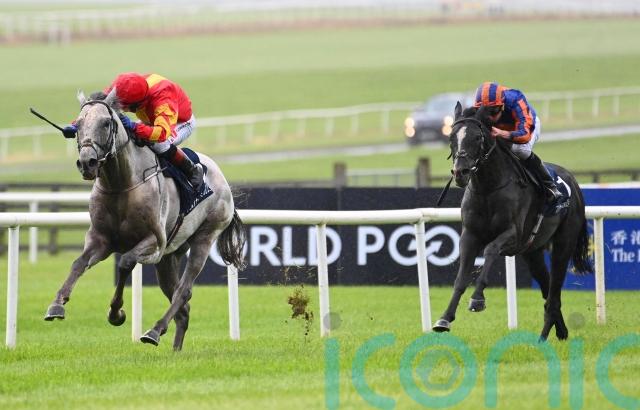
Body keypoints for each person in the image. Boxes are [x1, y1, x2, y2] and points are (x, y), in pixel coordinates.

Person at [64, 72, 203, 190]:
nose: (124, 110)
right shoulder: (121, 87)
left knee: (158, 144)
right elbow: (97, 109)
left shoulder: (163, 97)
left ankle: (192, 170)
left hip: (179, 121)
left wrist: (135, 127)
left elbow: (161, 133)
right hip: (151, 119)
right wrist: (76, 126)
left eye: (127, 108)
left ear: (138, 103)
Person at [473, 81, 561, 202]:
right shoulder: (479, 107)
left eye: (493, 111)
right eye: (484, 112)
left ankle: (549, 185)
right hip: (500, 129)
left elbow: (525, 135)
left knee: (521, 150)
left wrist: (501, 133)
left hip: (525, 126)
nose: (490, 118)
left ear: (502, 106)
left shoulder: (515, 100)